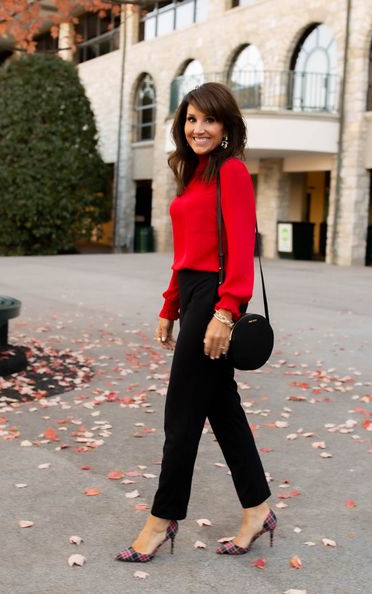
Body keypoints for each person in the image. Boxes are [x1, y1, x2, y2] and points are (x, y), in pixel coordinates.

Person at [115, 82, 276, 563]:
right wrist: (169, 305)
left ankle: (161, 520)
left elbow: (242, 247)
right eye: (190, 120)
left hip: (215, 300)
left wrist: (226, 311)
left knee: (182, 412)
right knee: (222, 409)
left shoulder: (231, 172)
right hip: (193, 293)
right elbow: (187, 252)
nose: (198, 128)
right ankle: (258, 508)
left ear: (225, 126)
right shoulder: (197, 173)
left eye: (208, 120)